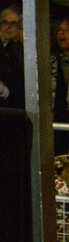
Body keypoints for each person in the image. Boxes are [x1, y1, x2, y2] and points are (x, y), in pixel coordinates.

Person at [53, 18, 69, 153]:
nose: (61, 34)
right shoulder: (50, 62)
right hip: (55, 127)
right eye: (59, 30)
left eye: (66, 30)